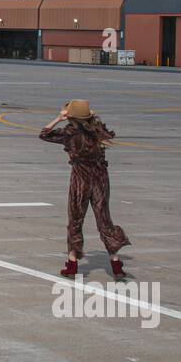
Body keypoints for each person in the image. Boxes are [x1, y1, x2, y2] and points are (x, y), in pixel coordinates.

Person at [39, 99, 131, 280]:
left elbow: (44, 134)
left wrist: (58, 118)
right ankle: (116, 264)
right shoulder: (97, 132)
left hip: (80, 180)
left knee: (75, 219)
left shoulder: (70, 133)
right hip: (100, 179)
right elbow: (105, 131)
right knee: (104, 220)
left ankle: (72, 264)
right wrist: (90, 117)